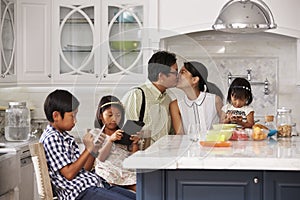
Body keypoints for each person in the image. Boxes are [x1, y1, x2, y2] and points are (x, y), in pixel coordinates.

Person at [40, 89, 136, 200]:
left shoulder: (64, 137)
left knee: (141, 197)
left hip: (95, 184)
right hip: (80, 192)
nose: (75, 121)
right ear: (56, 116)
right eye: (72, 116)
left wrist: (93, 149)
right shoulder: (52, 138)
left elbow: (84, 169)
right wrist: (88, 149)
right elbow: (69, 174)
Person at [122, 50, 178, 145]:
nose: (178, 76)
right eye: (175, 72)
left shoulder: (168, 99)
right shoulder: (136, 95)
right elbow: (128, 134)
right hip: (141, 157)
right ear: (162, 76)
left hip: (164, 156)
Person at [94, 95, 139, 192]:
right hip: (108, 172)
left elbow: (133, 159)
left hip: (125, 171)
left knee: (143, 187)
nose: (114, 119)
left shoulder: (124, 133)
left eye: (118, 115)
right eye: (110, 115)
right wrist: (110, 140)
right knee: (112, 185)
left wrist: (135, 143)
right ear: (101, 116)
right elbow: (100, 157)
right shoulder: (97, 134)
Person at [169, 61, 223, 134]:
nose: (177, 75)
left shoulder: (215, 100)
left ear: (194, 80)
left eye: (182, 72)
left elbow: (224, 127)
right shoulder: (175, 106)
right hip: (188, 145)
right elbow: (179, 136)